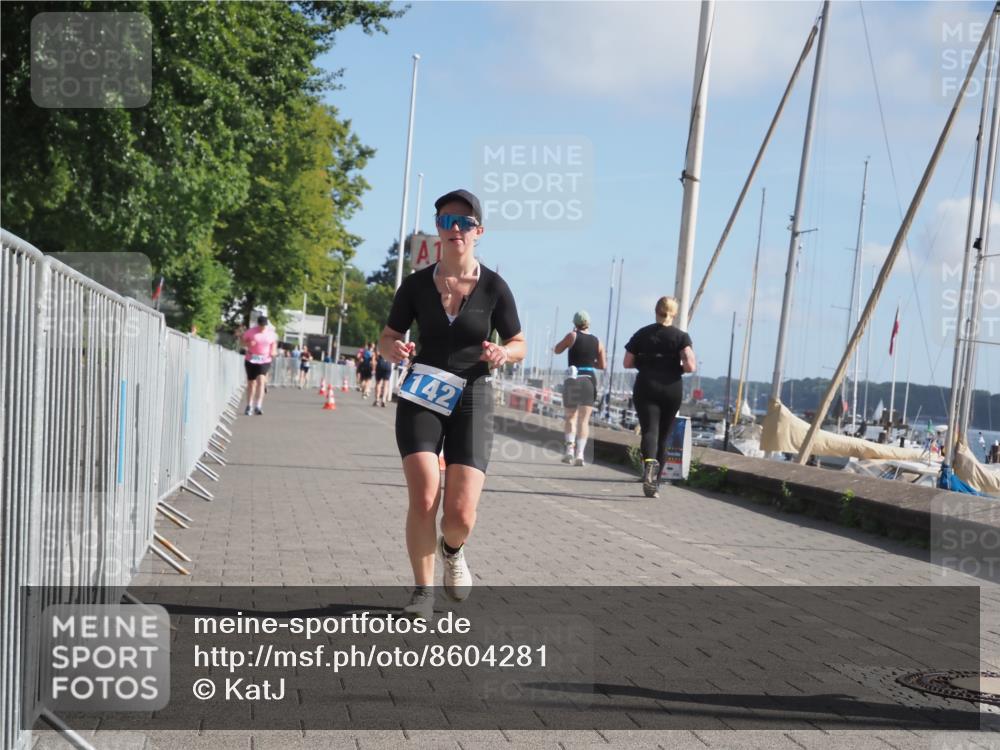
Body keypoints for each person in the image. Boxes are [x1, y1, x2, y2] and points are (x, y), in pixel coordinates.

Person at [379, 189, 525, 621]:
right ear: (437, 230)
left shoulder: (496, 288)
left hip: (472, 397)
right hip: (422, 392)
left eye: (464, 223)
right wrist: (393, 349)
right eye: (446, 221)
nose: (455, 229)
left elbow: (518, 342)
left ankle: (453, 550)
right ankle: (423, 592)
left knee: (459, 513)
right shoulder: (415, 285)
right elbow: (387, 336)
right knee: (424, 496)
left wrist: (504, 354)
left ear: (479, 231)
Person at [623, 296, 696, 498]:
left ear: (656, 311)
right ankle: (655, 483)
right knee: (664, 436)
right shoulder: (681, 337)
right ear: (674, 313)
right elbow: (690, 365)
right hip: (672, 387)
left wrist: (644, 363)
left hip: (646, 385)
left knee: (649, 431)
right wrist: (675, 366)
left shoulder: (642, 334)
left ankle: (648, 465)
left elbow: (627, 362)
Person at [553, 310, 606, 466]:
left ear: (575, 324)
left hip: (573, 379)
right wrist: (590, 363)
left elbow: (557, 350)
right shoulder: (598, 341)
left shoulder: (572, 336)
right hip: (589, 380)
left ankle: (569, 451)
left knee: (570, 416)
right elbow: (603, 365)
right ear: (588, 324)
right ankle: (580, 455)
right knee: (584, 420)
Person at [242, 315, 278, 415]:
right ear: (258, 324)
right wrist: (249, 344)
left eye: (265, 326)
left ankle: (258, 405)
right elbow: (242, 341)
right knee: (251, 383)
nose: (263, 327)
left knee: (261, 380)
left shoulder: (271, 334)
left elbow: (273, 344)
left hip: (265, 359)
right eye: (261, 325)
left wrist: (273, 351)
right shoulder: (251, 332)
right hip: (251, 359)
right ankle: (249, 405)